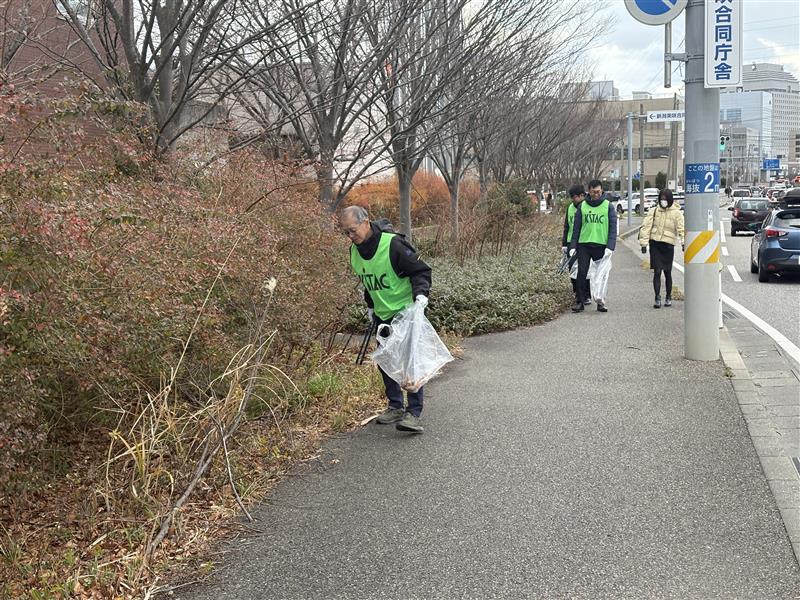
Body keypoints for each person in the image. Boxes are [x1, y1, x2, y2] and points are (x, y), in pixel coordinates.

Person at [340, 205, 431, 433]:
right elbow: (368, 283)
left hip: (407, 311)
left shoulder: (393, 244)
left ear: (366, 222)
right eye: (346, 233)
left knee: (410, 361)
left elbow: (419, 270)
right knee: (386, 361)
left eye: (353, 230)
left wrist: (421, 296)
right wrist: (371, 307)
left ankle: (413, 412)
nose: (351, 237)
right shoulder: (354, 251)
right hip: (382, 314)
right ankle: (395, 406)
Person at [568, 180, 617, 313]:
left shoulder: (608, 206)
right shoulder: (582, 206)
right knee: (581, 273)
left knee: (601, 275)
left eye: (599, 192)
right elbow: (576, 229)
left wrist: (610, 246)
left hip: (601, 245)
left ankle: (600, 302)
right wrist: (573, 246)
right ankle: (580, 301)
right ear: (588, 191)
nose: (596, 194)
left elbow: (613, 229)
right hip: (584, 244)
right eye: (594, 192)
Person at [639, 189, 685, 308]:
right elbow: (646, 227)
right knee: (657, 271)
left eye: (665, 199)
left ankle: (668, 296)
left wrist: (684, 243)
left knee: (667, 272)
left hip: (668, 245)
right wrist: (644, 243)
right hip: (655, 244)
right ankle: (657, 297)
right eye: (661, 199)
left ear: (670, 200)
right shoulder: (654, 211)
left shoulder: (677, 213)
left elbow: (681, 229)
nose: (663, 201)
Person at [561, 184, 590, 305]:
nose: (573, 200)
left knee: (584, 270)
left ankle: (586, 295)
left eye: (575, 197)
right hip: (570, 242)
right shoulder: (570, 208)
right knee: (572, 269)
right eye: (572, 198)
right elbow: (567, 226)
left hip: (583, 242)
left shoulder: (587, 207)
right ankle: (577, 293)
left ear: (582, 195)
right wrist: (564, 244)